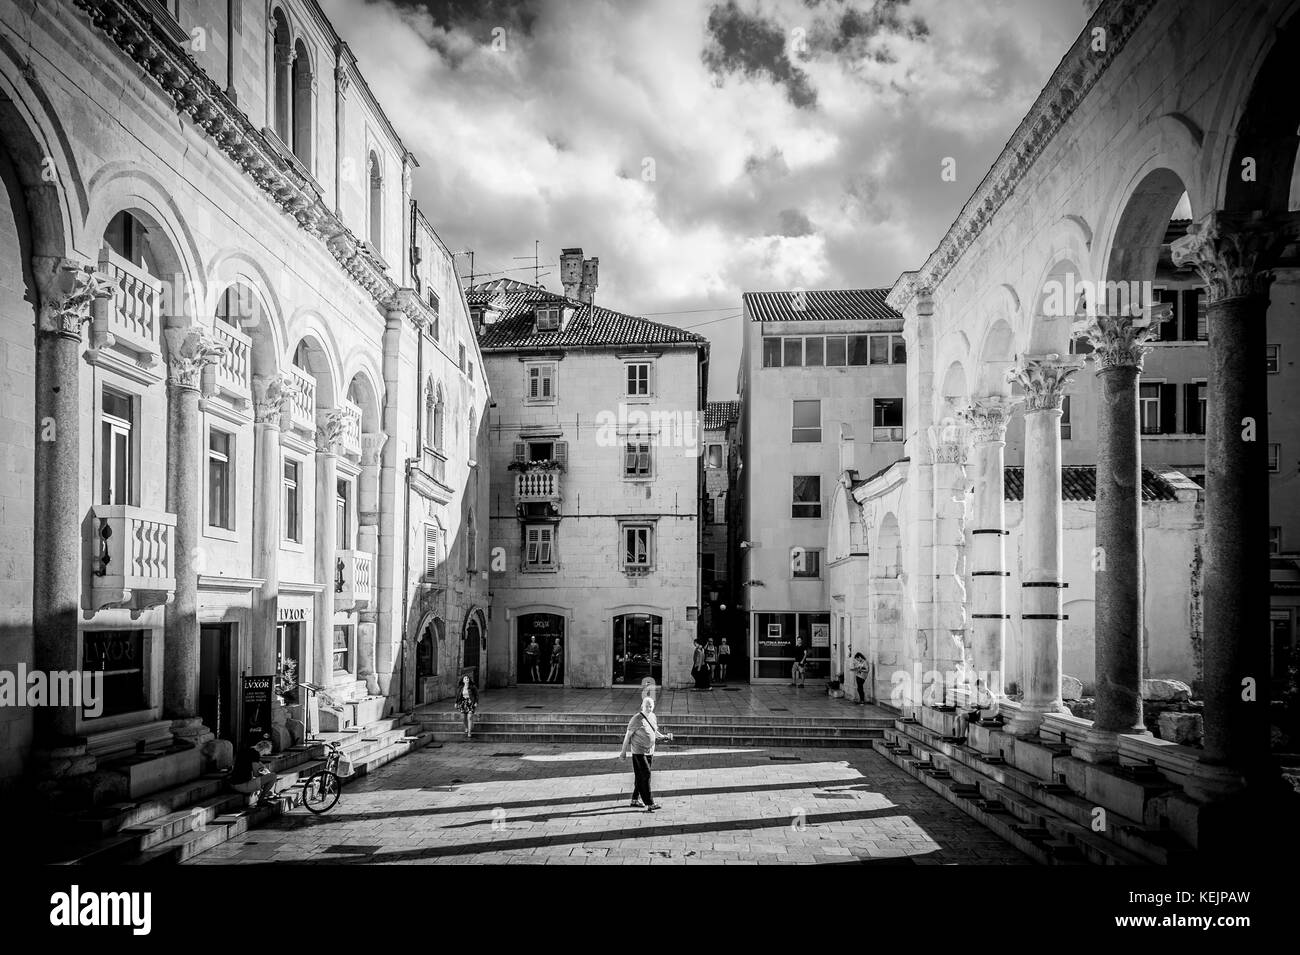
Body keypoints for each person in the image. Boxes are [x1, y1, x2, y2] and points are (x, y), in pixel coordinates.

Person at [619, 695, 673, 811]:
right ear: (642, 706)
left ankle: (634, 799)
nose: (649, 708)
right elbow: (627, 736)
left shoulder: (652, 716)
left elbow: (654, 731)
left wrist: (663, 737)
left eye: (651, 706)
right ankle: (649, 803)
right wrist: (623, 752)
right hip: (639, 752)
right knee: (646, 774)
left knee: (640, 776)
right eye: (647, 706)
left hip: (650, 751)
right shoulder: (636, 719)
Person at [229, 738, 278, 806]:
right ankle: (261, 799)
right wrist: (265, 775)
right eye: (265, 753)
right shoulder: (255, 754)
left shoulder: (246, 750)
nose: (263, 755)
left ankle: (265, 793)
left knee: (266, 778)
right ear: (264, 749)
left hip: (234, 783)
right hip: (242, 785)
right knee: (273, 776)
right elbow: (256, 773)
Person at [454, 674, 479, 738]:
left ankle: (469, 732)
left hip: (471, 702)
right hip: (463, 703)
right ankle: (466, 728)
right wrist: (456, 703)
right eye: (465, 678)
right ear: (463, 680)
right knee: (463, 717)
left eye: (467, 678)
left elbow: (476, 695)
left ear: (469, 680)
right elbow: (458, 696)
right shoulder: (460, 688)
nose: (467, 679)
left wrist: (476, 702)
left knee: (470, 717)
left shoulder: (472, 687)